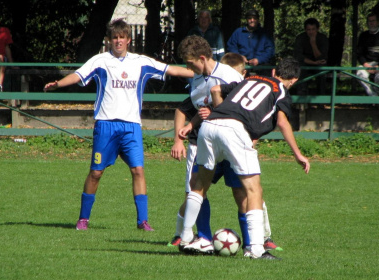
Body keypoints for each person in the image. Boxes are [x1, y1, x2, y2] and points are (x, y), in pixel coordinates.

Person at [43, 19, 193, 231]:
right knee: (96, 173)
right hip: (106, 125)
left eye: (122, 37)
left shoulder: (140, 61)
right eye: (114, 37)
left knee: (138, 171)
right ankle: (83, 219)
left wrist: (204, 71)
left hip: (131, 127)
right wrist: (58, 84)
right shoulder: (100, 61)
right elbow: (78, 75)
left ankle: (143, 221)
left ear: (128, 40)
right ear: (109, 40)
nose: (118, 41)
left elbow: (173, 71)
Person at [179, 57, 310, 260]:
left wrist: (222, 112)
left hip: (210, 124)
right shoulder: (281, 91)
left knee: (199, 184)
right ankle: (256, 249)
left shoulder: (250, 79)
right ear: (293, 80)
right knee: (254, 189)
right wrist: (298, 153)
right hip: (234, 130)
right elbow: (283, 123)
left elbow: (215, 90)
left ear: (275, 72)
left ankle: (187, 238)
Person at [169, 50, 279, 255]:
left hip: (229, 142)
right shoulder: (202, 80)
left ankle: (252, 242)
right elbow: (189, 108)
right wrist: (190, 126)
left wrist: (216, 113)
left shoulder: (238, 84)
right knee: (199, 188)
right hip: (209, 140)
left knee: (241, 192)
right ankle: (202, 238)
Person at [226, 9, 275, 74]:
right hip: (241, 67)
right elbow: (231, 47)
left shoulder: (264, 34)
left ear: (258, 20)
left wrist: (259, 60)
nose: (252, 20)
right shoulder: (238, 32)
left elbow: (270, 50)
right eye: (250, 18)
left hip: (261, 68)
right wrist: (239, 57)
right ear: (246, 19)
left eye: (254, 18)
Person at [356, 13, 379, 96]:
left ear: (378, 22)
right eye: (369, 21)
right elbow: (359, 53)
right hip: (367, 64)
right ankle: (373, 96)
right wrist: (366, 65)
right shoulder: (363, 36)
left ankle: (373, 95)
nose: (371, 23)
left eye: (373, 21)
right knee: (359, 74)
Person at [293, 18, 328, 95]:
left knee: (322, 71)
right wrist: (313, 62)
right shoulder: (300, 38)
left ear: (317, 29)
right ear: (305, 30)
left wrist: (313, 44)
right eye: (309, 30)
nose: (311, 32)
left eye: (313, 29)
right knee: (300, 70)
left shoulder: (322, 38)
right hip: (305, 64)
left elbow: (321, 57)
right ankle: (301, 99)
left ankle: (321, 99)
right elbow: (299, 56)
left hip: (319, 64)